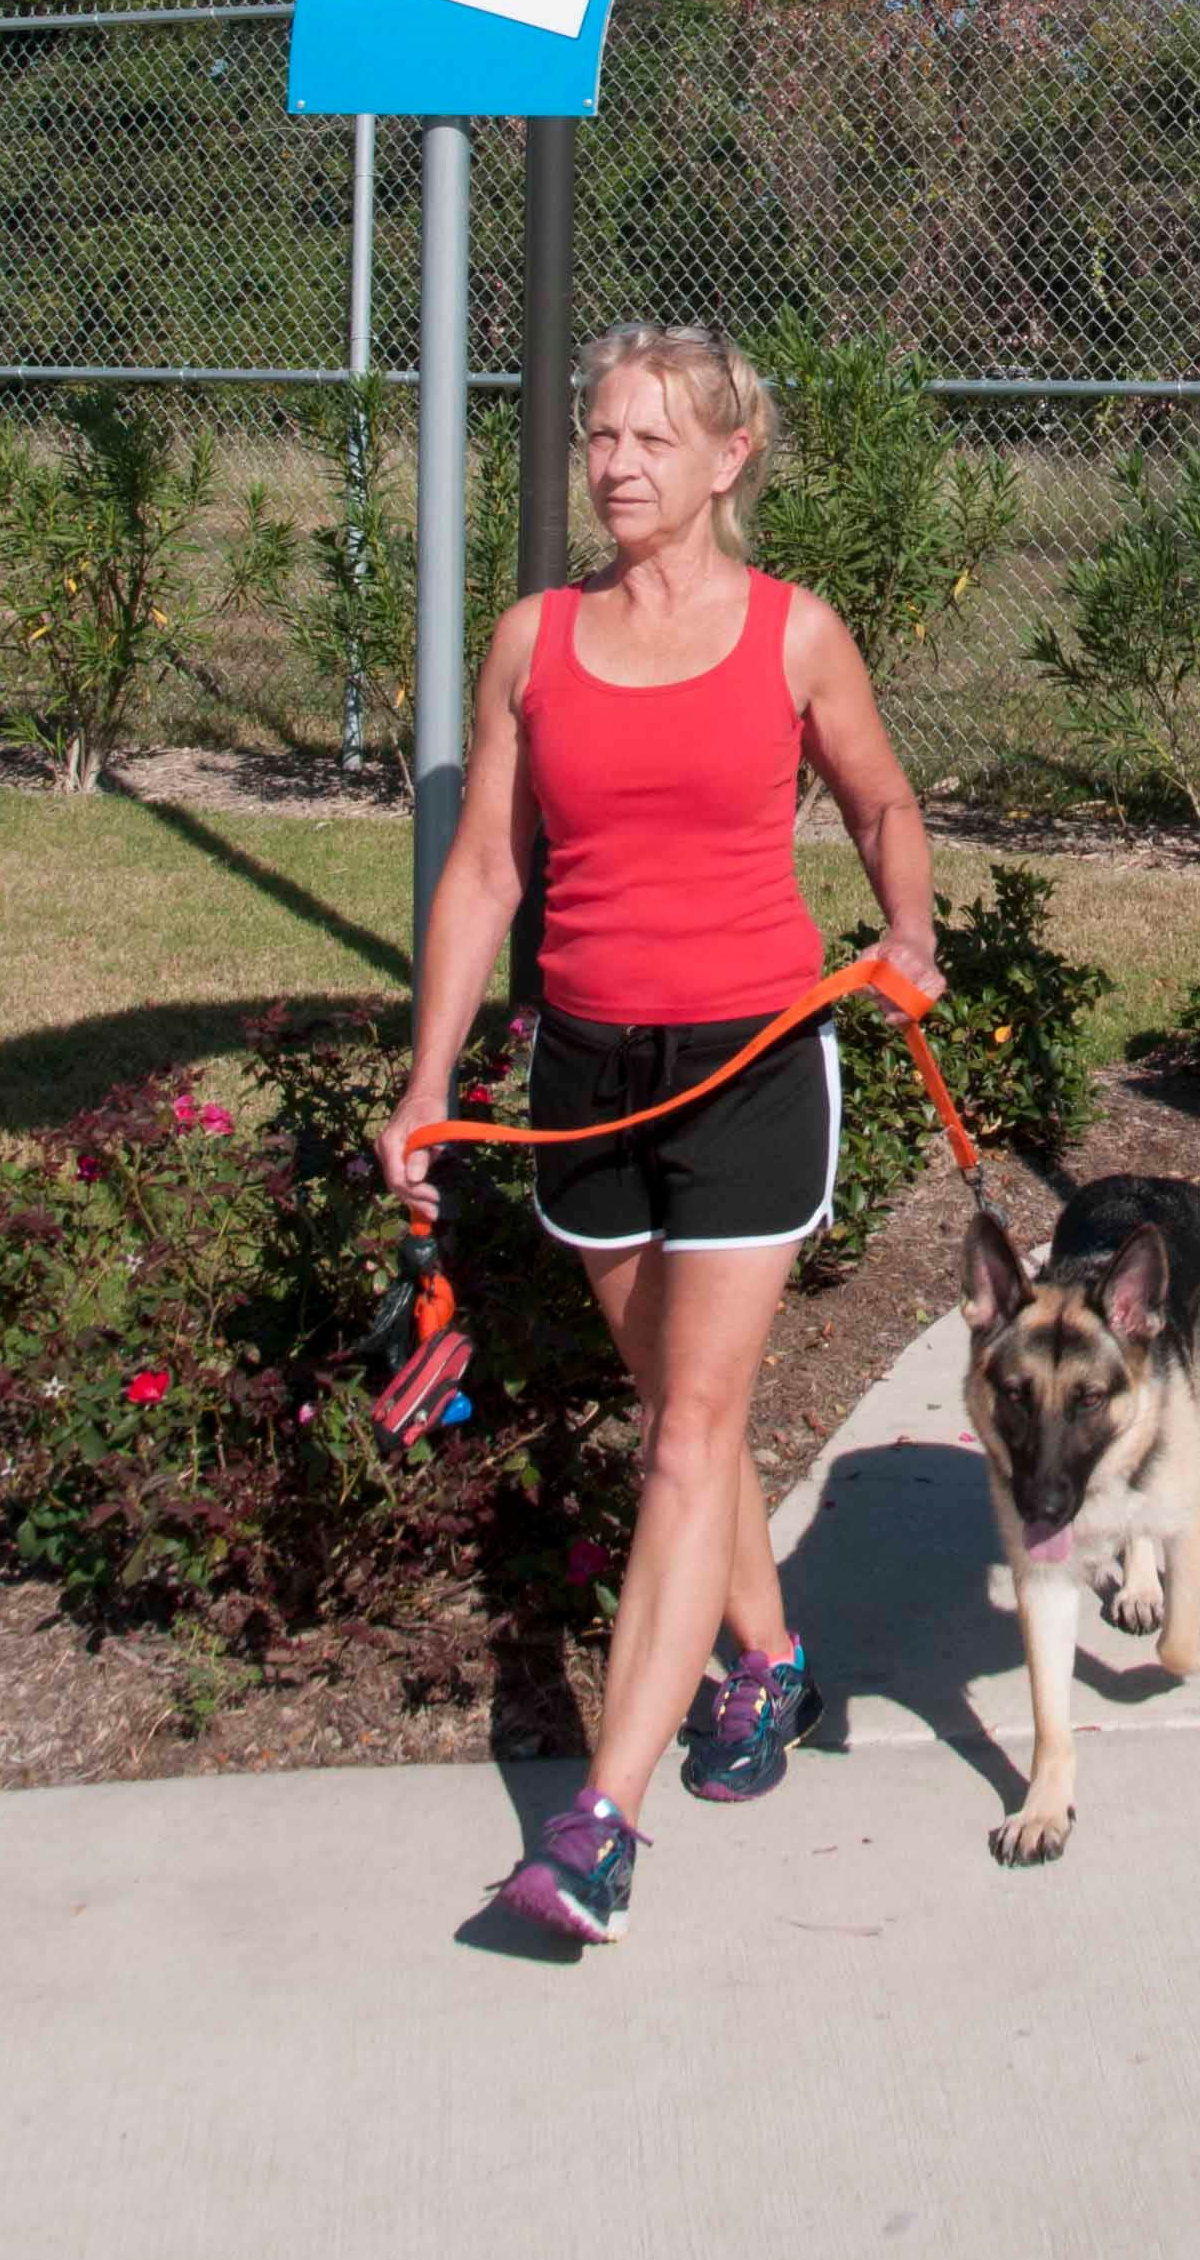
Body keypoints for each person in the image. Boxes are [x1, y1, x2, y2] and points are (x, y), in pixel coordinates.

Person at [375, 319, 943, 1947]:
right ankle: (766, 1660)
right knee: (673, 1408)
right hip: (585, 1075)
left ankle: (595, 1824)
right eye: (599, 439)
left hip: (753, 1062)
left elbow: (881, 798)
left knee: (692, 1433)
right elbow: (485, 870)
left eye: (646, 441)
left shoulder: (792, 636)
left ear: (725, 458)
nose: (614, 467)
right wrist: (431, 1082)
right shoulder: (531, 640)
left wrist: (904, 921)